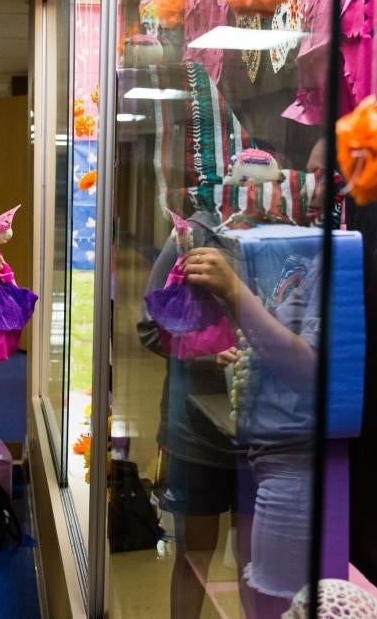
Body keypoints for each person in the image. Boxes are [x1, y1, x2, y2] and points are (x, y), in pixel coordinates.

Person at [181, 240, 321, 619]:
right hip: (241, 441)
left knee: (272, 598)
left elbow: (309, 369)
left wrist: (233, 293)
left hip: (289, 453)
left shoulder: (313, 252)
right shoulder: (296, 250)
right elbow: (154, 328)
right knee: (204, 552)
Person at [137, 208, 246, 619]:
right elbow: (151, 327)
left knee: (256, 568)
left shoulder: (284, 236)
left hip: (267, 433)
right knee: (193, 556)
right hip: (195, 431)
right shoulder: (193, 234)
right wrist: (207, 352)